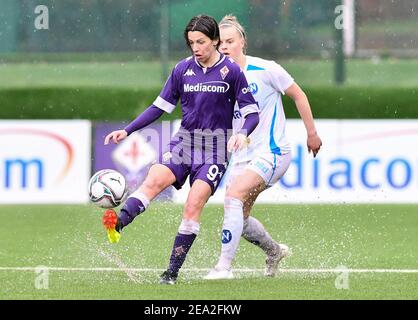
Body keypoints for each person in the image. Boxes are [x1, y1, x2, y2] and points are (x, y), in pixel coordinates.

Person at [103, 14, 260, 285]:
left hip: (215, 148)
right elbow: (159, 108)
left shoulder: (231, 72)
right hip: (184, 142)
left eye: (201, 42)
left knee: (193, 204)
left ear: (214, 41)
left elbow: (252, 113)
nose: (196, 48)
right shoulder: (182, 70)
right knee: (153, 180)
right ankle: (118, 224)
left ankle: (171, 273)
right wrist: (127, 130)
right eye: (191, 43)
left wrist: (242, 134)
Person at [204, 15, 322, 280]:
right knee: (240, 219)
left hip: (273, 152)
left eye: (230, 41)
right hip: (242, 158)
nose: (224, 47)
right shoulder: (215, 80)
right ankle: (274, 251)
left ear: (242, 42)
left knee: (234, 195)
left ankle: (223, 267)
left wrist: (312, 133)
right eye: (220, 43)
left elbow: (299, 95)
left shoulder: (266, 69)